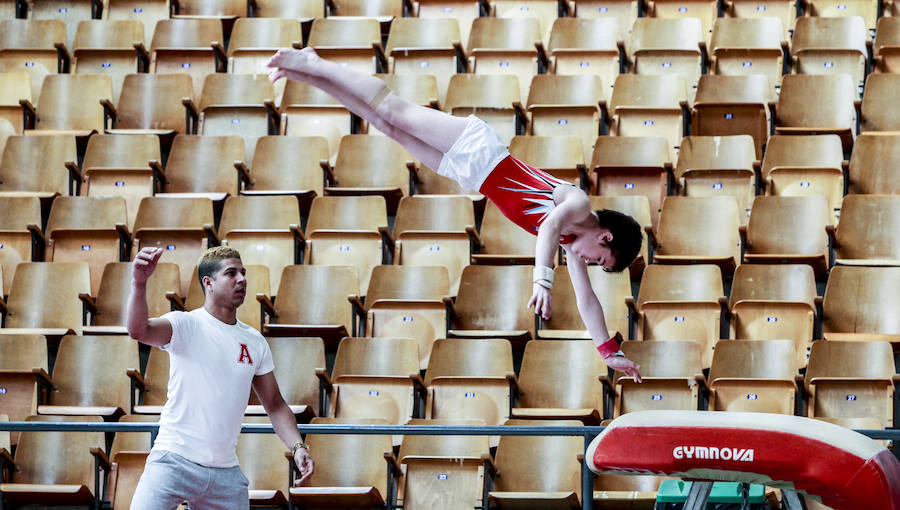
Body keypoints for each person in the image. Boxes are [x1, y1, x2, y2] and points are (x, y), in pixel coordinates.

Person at [266, 48, 643, 382]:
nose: (589, 262)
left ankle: (305, 72)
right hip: (481, 151)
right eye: (600, 259)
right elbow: (546, 226)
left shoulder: (570, 243)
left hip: (472, 176)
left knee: (383, 125)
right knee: (391, 108)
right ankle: (314, 62)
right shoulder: (577, 205)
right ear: (606, 236)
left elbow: (586, 298)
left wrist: (609, 352)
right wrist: (541, 281)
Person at [127, 246, 315, 510]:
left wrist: (298, 447)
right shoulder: (185, 324)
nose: (242, 279)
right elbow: (139, 331)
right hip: (173, 460)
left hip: (225, 472)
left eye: (243, 272)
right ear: (209, 283)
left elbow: (275, 405)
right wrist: (139, 282)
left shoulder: (255, 341)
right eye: (231, 273)